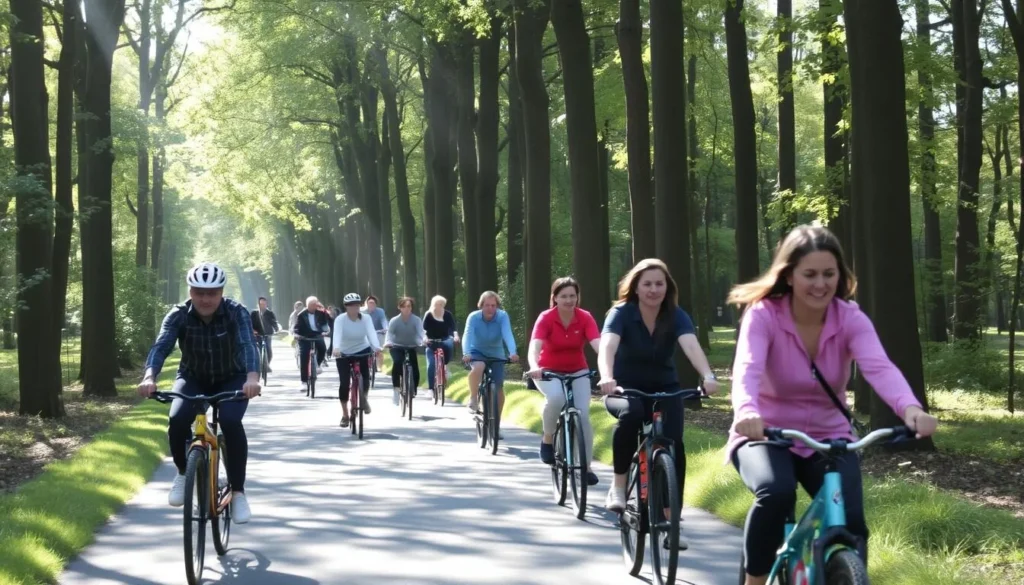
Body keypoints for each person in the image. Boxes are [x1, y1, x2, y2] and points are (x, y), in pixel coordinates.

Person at [725, 225, 939, 585]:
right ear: (789, 275)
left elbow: (879, 367)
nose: (820, 284)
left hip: (829, 436)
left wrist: (910, 409)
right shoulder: (764, 314)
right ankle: (755, 580)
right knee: (776, 493)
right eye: (809, 274)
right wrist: (747, 412)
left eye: (829, 274)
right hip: (767, 433)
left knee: (851, 522)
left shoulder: (850, 317)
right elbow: (747, 368)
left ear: (840, 275)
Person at [597, 258, 720, 550]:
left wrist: (708, 375)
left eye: (659, 284)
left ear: (668, 287)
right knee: (632, 414)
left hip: (665, 387)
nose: (654, 289)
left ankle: (671, 522)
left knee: (674, 442)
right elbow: (608, 346)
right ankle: (617, 487)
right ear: (636, 287)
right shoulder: (621, 313)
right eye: (647, 284)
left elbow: (691, 346)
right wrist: (606, 376)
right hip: (624, 387)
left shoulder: (675, 315)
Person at [137, 262, 261, 523]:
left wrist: (252, 378)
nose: (205, 299)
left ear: (221, 292)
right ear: (190, 291)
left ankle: (237, 493)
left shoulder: (236, 312)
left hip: (233, 378)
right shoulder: (178, 314)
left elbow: (248, 345)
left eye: (212, 293)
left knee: (230, 421)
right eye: (199, 292)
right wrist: (150, 376)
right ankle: (183, 473)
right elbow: (161, 346)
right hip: (193, 377)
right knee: (178, 418)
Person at [526, 277, 601, 486]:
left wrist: (610, 366)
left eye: (572, 296)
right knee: (557, 398)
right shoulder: (546, 318)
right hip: (548, 372)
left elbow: (598, 345)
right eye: (564, 296)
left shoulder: (585, 318)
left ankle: (585, 467)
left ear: (578, 297)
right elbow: (535, 347)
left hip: (578, 371)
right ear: (555, 298)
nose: (569, 300)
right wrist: (534, 366)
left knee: (583, 415)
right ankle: (548, 438)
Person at [462, 291, 519, 418]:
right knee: (478, 367)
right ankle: (473, 398)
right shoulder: (473, 317)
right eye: (487, 305)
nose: (490, 308)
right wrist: (466, 353)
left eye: (493, 305)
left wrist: (512, 352)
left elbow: (507, 334)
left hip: (496, 353)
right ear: (481, 305)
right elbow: (467, 335)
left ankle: (496, 425)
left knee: (498, 388)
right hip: (476, 352)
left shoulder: (502, 316)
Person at [333, 292, 383, 427]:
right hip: (343, 352)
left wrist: (377, 347)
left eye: (356, 305)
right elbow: (337, 334)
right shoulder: (340, 320)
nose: (353, 308)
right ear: (345, 307)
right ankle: (345, 414)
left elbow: (371, 333)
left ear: (360, 306)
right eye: (350, 306)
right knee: (344, 383)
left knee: (365, 378)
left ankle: (364, 398)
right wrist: (336, 348)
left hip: (362, 349)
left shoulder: (366, 318)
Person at [385, 297, 426, 405]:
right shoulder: (394, 320)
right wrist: (388, 342)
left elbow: (421, 332)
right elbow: (389, 333)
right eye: (404, 306)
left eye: (409, 306)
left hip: (411, 346)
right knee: (397, 362)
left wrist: (424, 340)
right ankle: (396, 390)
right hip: (396, 346)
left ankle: (413, 388)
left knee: (415, 369)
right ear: (399, 307)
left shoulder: (416, 320)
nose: (407, 309)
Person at [292, 296, 331, 388]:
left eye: (315, 304)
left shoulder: (321, 313)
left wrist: (325, 331)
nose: (314, 307)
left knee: (322, 348)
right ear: (307, 305)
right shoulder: (301, 315)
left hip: (317, 335)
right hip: (304, 337)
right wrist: (297, 335)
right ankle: (304, 382)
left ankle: (317, 365)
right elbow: (296, 328)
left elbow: (327, 323)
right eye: (312, 305)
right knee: (304, 356)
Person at [423, 295, 459, 392]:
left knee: (449, 344)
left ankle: (445, 367)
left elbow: (453, 327)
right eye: (437, 304)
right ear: (433, 304)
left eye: (441, 304)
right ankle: (431, 389)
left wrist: (455, 336)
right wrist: (425, 339)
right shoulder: (429, 314)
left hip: (444, 339)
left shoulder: (447, 314)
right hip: (432, 342)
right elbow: (424, 330)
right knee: (431, 365)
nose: (439, 306)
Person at [250, 296, 279, 373]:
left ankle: (267, 364)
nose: (262, 306)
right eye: (261, 304)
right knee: (258, 350)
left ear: (266, 304)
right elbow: (249, 324)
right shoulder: (254, 313)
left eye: (264, 304)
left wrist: (277, 329)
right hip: (257, 335)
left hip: (268, 334)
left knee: (269, 350)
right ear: (258, 305)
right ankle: (259, 365)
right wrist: (253, 330)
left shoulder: (270, 313)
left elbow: (274, 322)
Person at [363, 295, 388, 371]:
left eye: (373, 303)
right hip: (366, 333)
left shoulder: (380, 311)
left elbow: (384, 321)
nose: (371, 305)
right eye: (370, 303)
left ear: (376, 304)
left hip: (378, 332)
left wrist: (386, 328)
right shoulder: (362, 312)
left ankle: (379, 366)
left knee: (379, 349)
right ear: (366, 303)